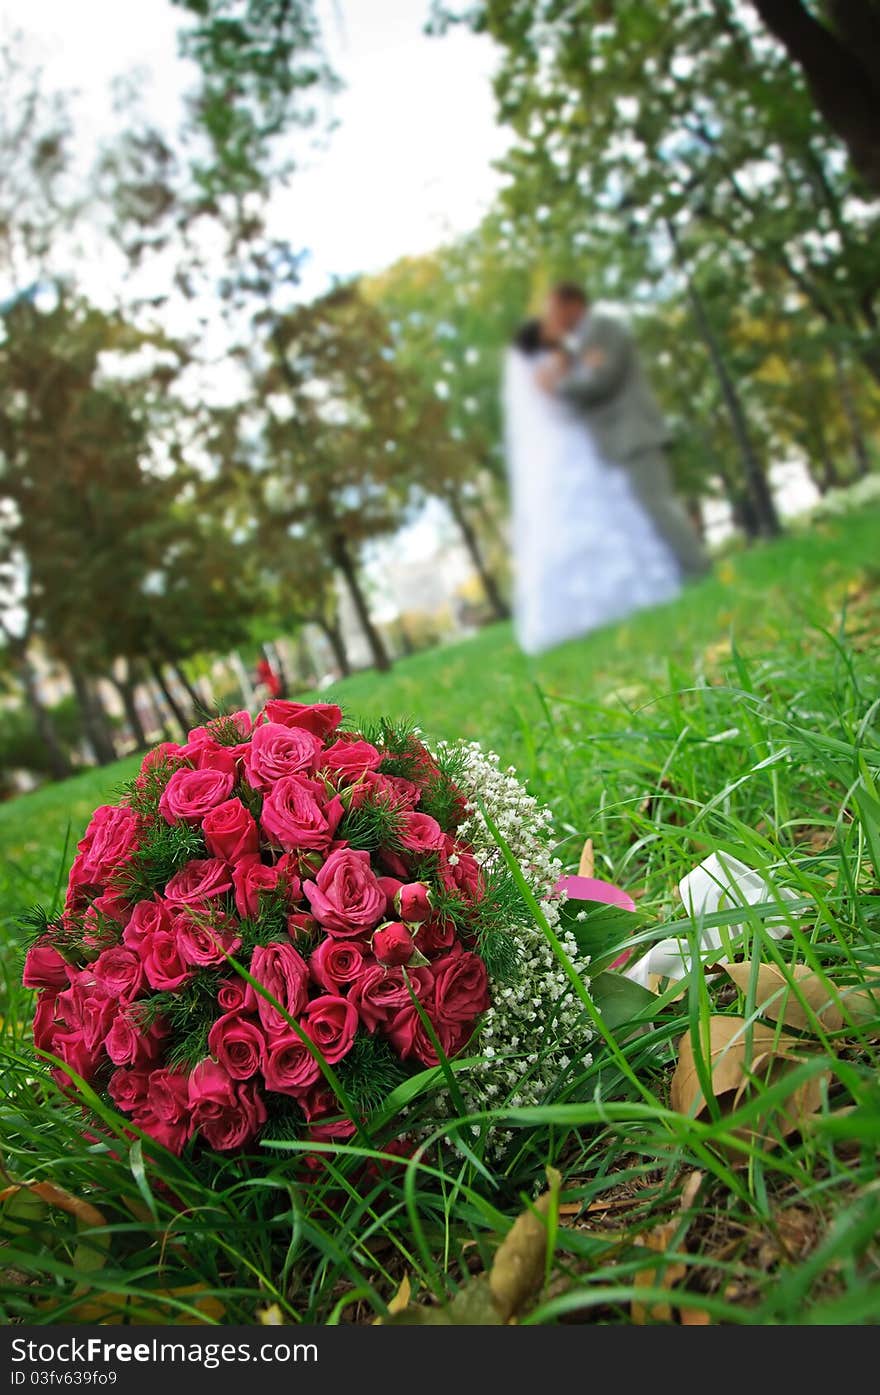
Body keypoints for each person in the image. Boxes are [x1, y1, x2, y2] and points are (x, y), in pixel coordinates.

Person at [503, 311, 684, 656]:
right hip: (568, 443)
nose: (556, 327)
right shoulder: (550, 362)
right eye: (548, 327)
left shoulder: (555, 358)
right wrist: (584, 367)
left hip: (580, 442)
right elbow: (568, 394)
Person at [536, 283, 709, 579]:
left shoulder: (604, 329)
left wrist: (558, 388)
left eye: (553, 310)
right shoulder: (578, 346)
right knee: (643, 513)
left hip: (634, 434)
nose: (551, 319)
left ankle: (698, 570)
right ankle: (678, 575)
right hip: (616, 442)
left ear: (572, 304)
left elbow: (601, 381)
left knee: (657, 505)